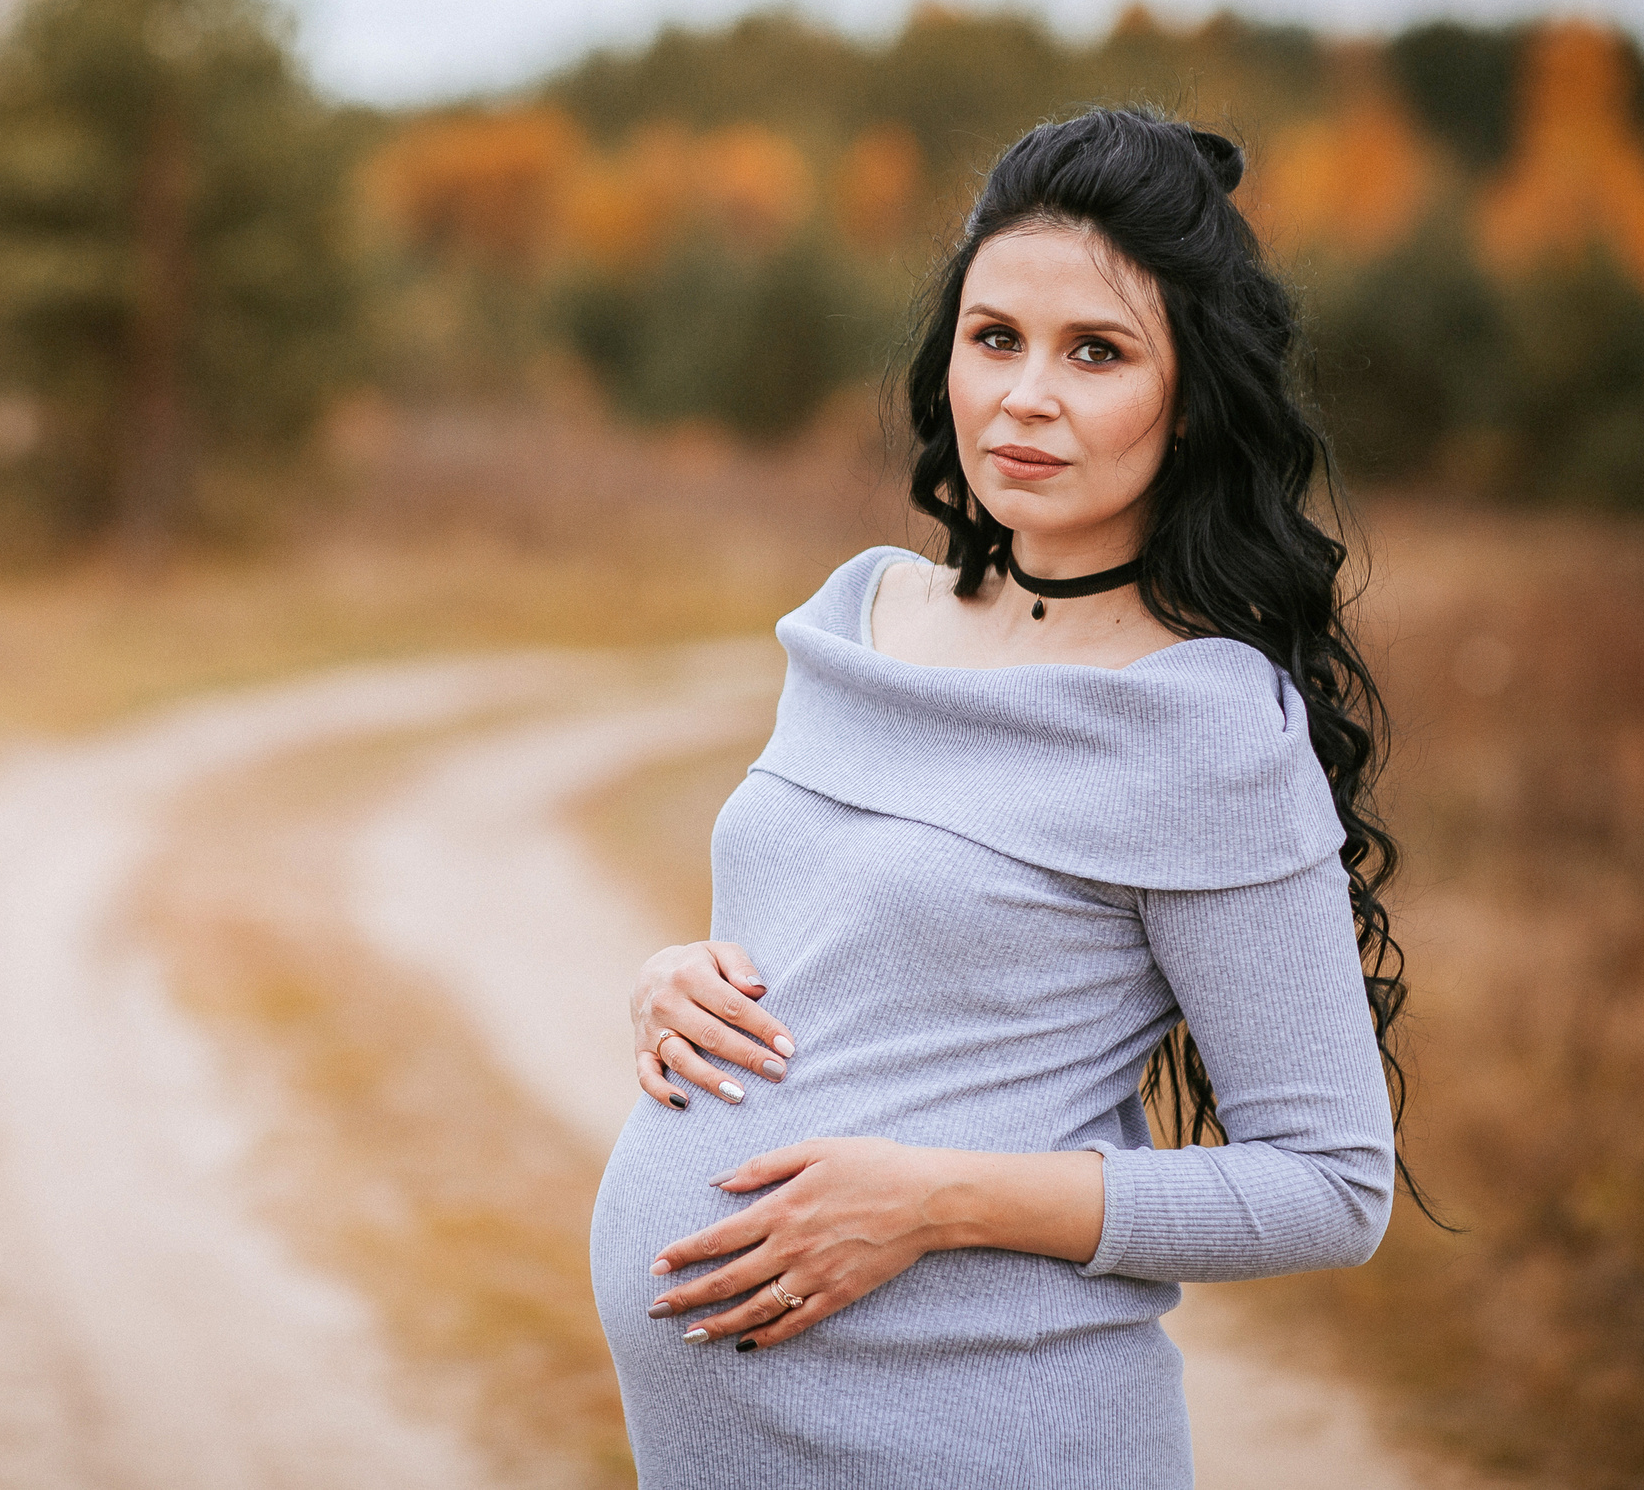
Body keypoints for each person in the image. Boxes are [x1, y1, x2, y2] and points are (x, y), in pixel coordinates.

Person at [588, 107, 1415, 1489]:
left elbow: (1332, 1185)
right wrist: (672, 978)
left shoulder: (1201, 727)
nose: (1026, 395)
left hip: (983, 1439)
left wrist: (933, 1203)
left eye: (1095, 351)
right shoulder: (861, 614)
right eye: (995, 338)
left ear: (1193, 393)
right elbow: (839, 939)